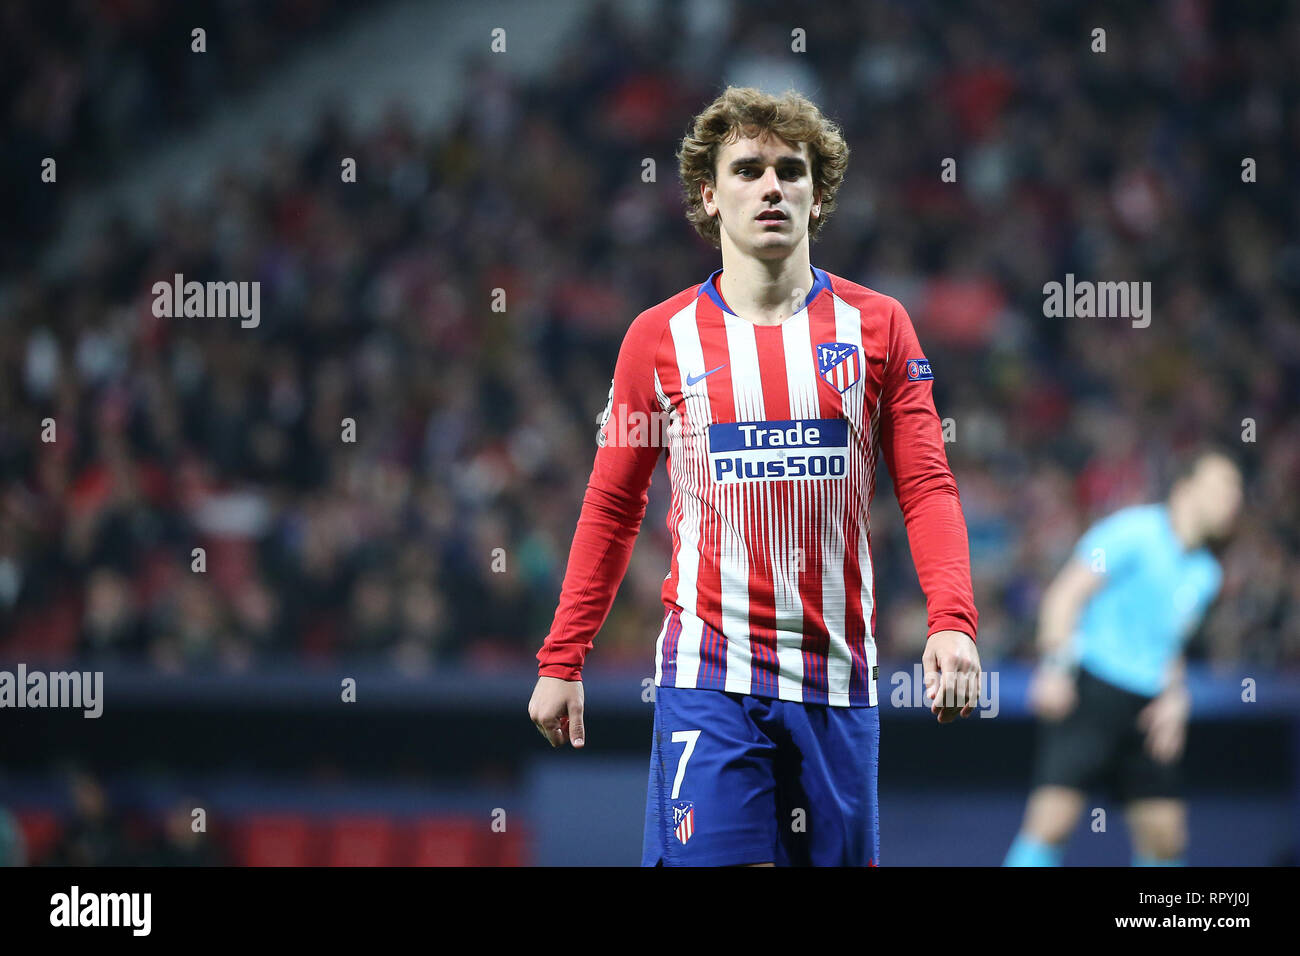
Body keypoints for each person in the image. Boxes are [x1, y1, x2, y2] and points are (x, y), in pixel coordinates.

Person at [528, 86, 981, 866]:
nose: (771, 186)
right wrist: (562, 657)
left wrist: (952, 622)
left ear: (816, 193)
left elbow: (928, 486)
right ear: (710, 195)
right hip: (709, 678)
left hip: (838, 682)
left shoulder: (879, 328)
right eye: (748, 169)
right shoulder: (657, 339)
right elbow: (612, 504)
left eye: (790, 170)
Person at [1004, 449, 1243, 866]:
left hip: (1147, 709)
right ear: (1185, 489)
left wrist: (1175, 699)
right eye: (1223, 486)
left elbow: (1171, 646)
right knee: (1050, 824)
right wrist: (1056, 669)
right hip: (1092, 692)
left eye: (1236, 490)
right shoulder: (1132, 533)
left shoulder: (1206, 574)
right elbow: (1066, 595)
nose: (1234, 499)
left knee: (1166, 837)